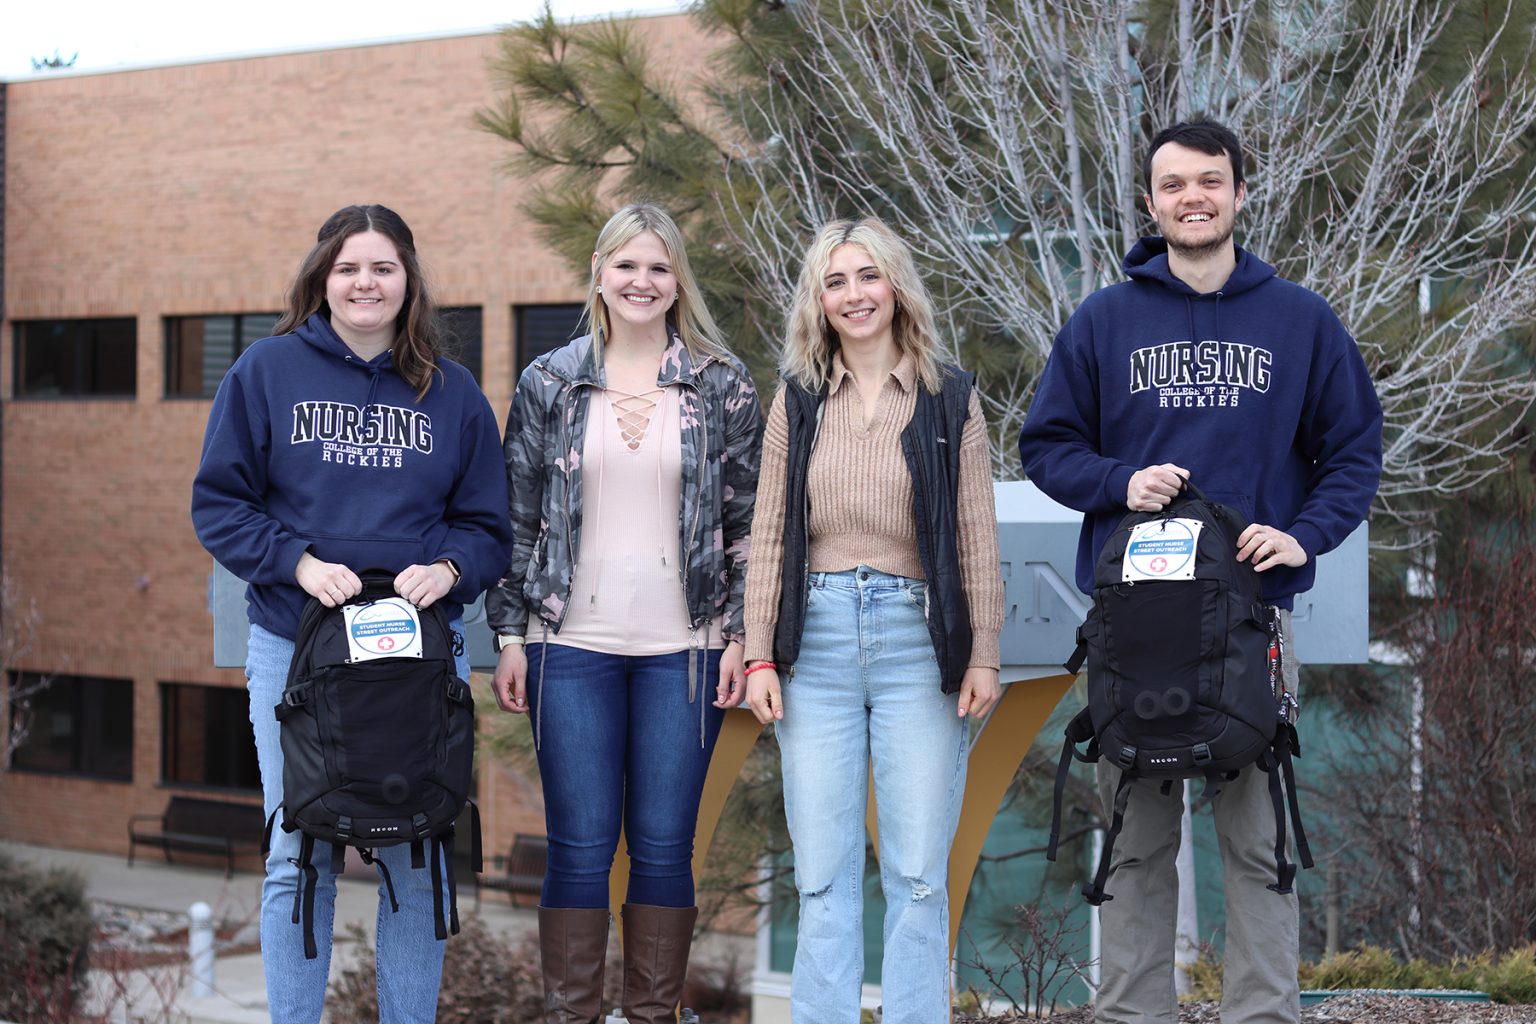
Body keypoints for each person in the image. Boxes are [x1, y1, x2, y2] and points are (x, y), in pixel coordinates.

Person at [1018, 120, 1384, 1024]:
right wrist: (1118, 480)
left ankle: (1264, 1014)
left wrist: (1304, 536)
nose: (1193, 198)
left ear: (1239, 193)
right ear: (1150, 203)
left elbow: (1354, 450)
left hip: (1253, 625)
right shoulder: (1106, 319)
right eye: (1174, 185)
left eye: (1209, 181)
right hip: (1134, 631)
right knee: (1137, 844)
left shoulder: (1298, 319)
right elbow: (1046, 445)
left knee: (1260, 846)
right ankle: (1131, 1014)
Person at [191, 204, 513, 1023]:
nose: (365, 282)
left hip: (414, 655)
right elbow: (219, 506)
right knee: (298, 853)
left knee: (418, 850)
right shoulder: (264, 373)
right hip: (292, 650)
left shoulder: (453, 391)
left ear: (408, 282)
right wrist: (295, 560)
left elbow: (489, 528)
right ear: (322, 279)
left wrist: (449, 568)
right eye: (348, 268)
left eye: (382, 268)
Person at [486, 203, 763, 1024]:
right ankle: (572, 1015)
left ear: (678, 281)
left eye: (660, 267)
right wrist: (509, 635)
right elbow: (519, 518)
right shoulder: (550, 381)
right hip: (567, 645)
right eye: (627, 266)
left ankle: (650, 1017)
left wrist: (738, 635)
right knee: (578, 846)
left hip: (687, 647)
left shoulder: (722, 383)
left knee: (665, 848)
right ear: (600, 274)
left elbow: (750, 522)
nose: (642, 282)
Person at [741, 216, 1004, 1024]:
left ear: (896, 287)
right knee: (821, 877)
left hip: (916, 645)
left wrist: (984, 653)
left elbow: (974, 534)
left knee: (919, 876)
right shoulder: (798, 399)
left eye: (867, 277)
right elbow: (771, 532)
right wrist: (757, 655)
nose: (853, 295)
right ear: (818, 302)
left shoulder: (948, 397)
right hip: (812, 644)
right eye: (835, 282)